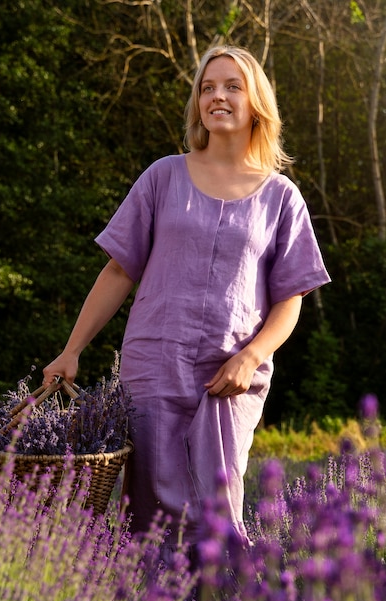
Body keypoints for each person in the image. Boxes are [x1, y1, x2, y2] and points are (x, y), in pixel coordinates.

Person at [43, 45, 330, 556]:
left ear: (256, 101)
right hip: (153, 366)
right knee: (150, 516)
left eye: (231, 86)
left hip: (230, 378)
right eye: (206, 87)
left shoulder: (281, 196)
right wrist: (72, 349)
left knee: (215, 511)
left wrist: (251, 355)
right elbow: (117, 270)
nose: (217, 95)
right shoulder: (162, 177)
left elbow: (291, 298)